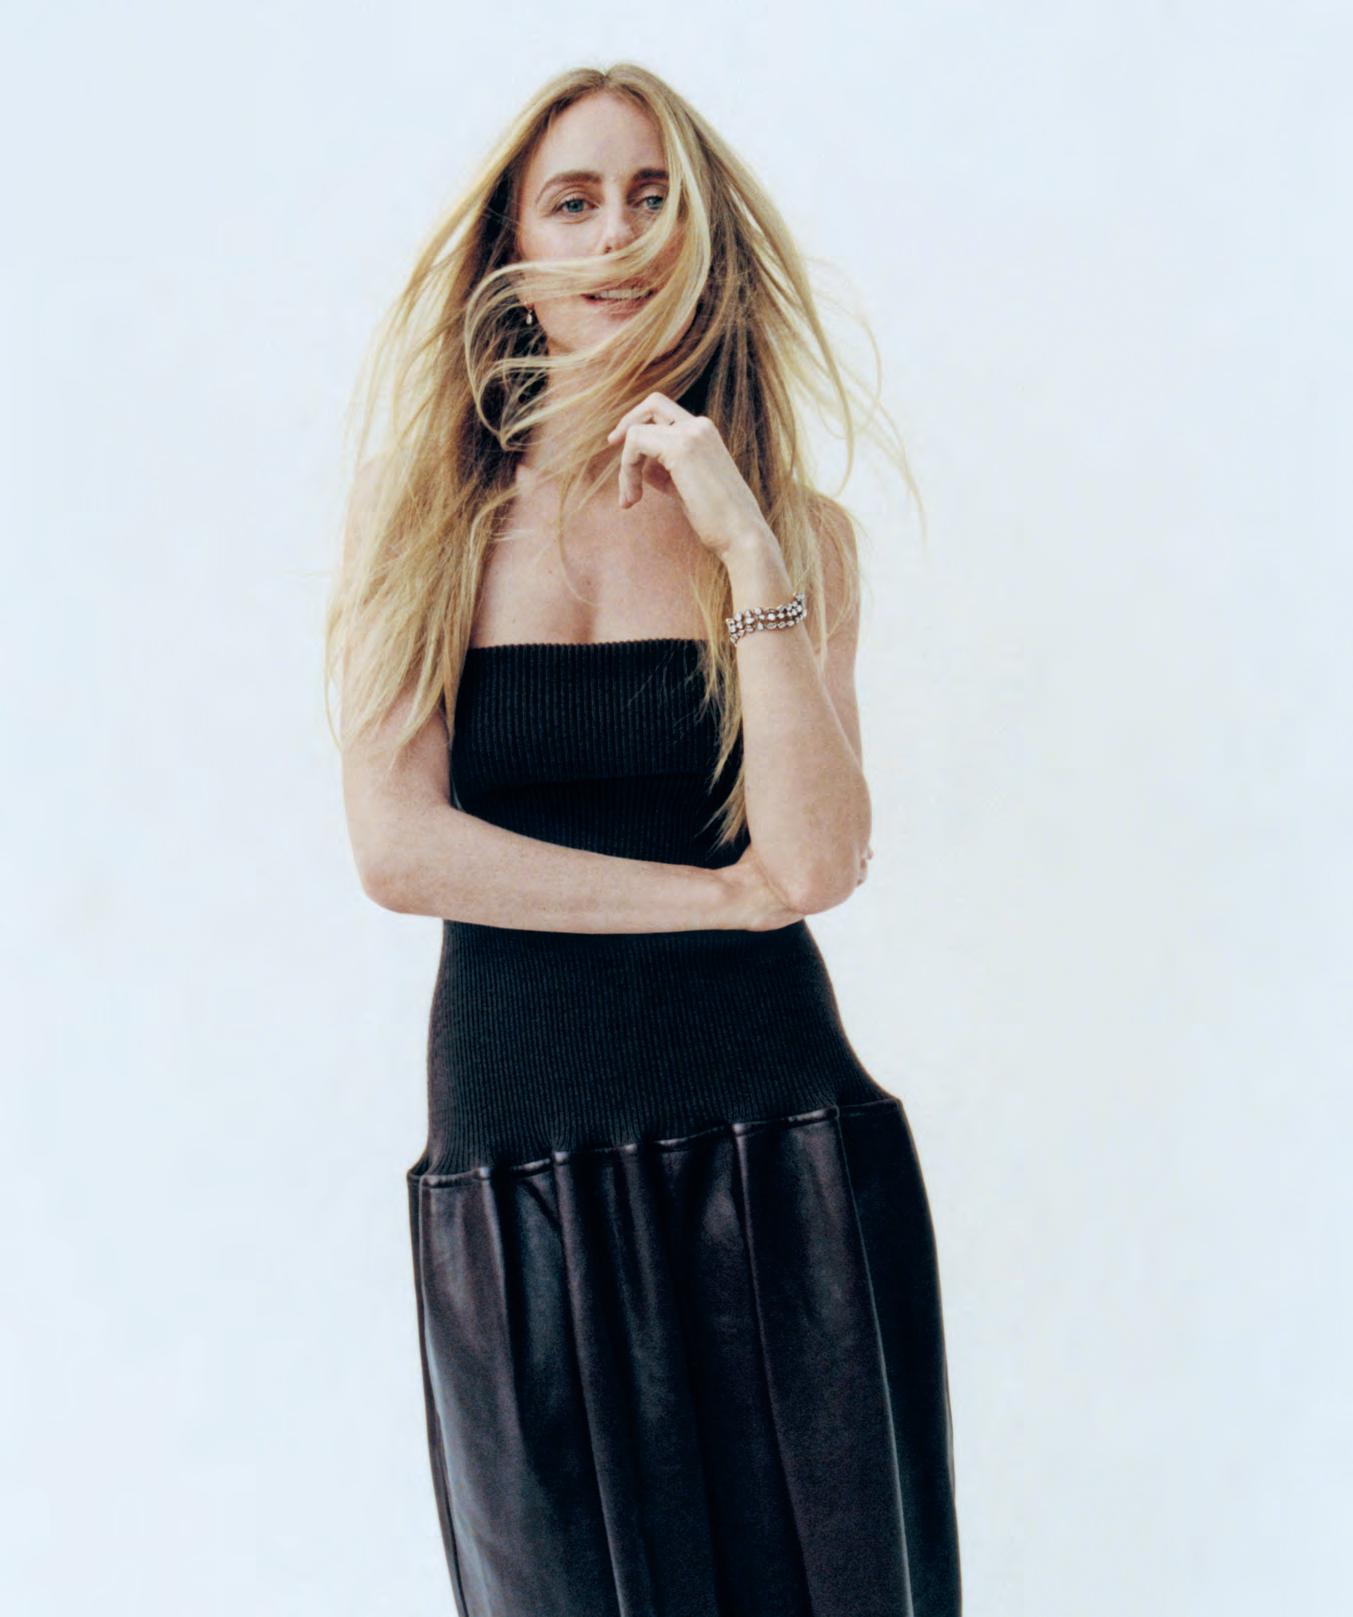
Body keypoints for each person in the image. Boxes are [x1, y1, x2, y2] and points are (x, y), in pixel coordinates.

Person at [326, 61, 961, 1617]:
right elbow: (400, 849)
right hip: (519, 1158)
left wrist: (741, 538)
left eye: (652, 194)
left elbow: (812, 859)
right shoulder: (425, 525)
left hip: (777, 1149)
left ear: (701, 237)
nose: (617, 233)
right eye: (573, 200)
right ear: (512, 252)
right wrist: (714, 895)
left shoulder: (793, 531)